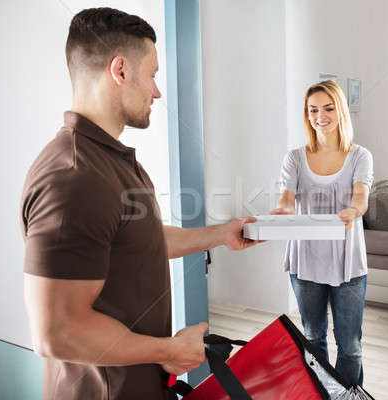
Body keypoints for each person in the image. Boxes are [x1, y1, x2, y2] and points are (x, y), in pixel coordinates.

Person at [20, 8, 258, 400]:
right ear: (121, 70)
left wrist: (221, 234)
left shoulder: (111, 161)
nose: (157, 90)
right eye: (153, 74)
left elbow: (139, 241)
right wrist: (169, 351)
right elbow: (56, 332)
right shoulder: (73, 178)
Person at [270, 80, 373, 387]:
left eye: (328, 108)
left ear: (341, 111)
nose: (320, 116)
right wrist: (279, 214)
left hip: (347, 262)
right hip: (306, 261)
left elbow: (361, 199)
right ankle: (321, 394)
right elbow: (287, 201)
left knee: (350, 346)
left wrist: (352, 212)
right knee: (313, 339)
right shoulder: (294, 158)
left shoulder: (359, 156)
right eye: (313, 109)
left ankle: (347, 396)